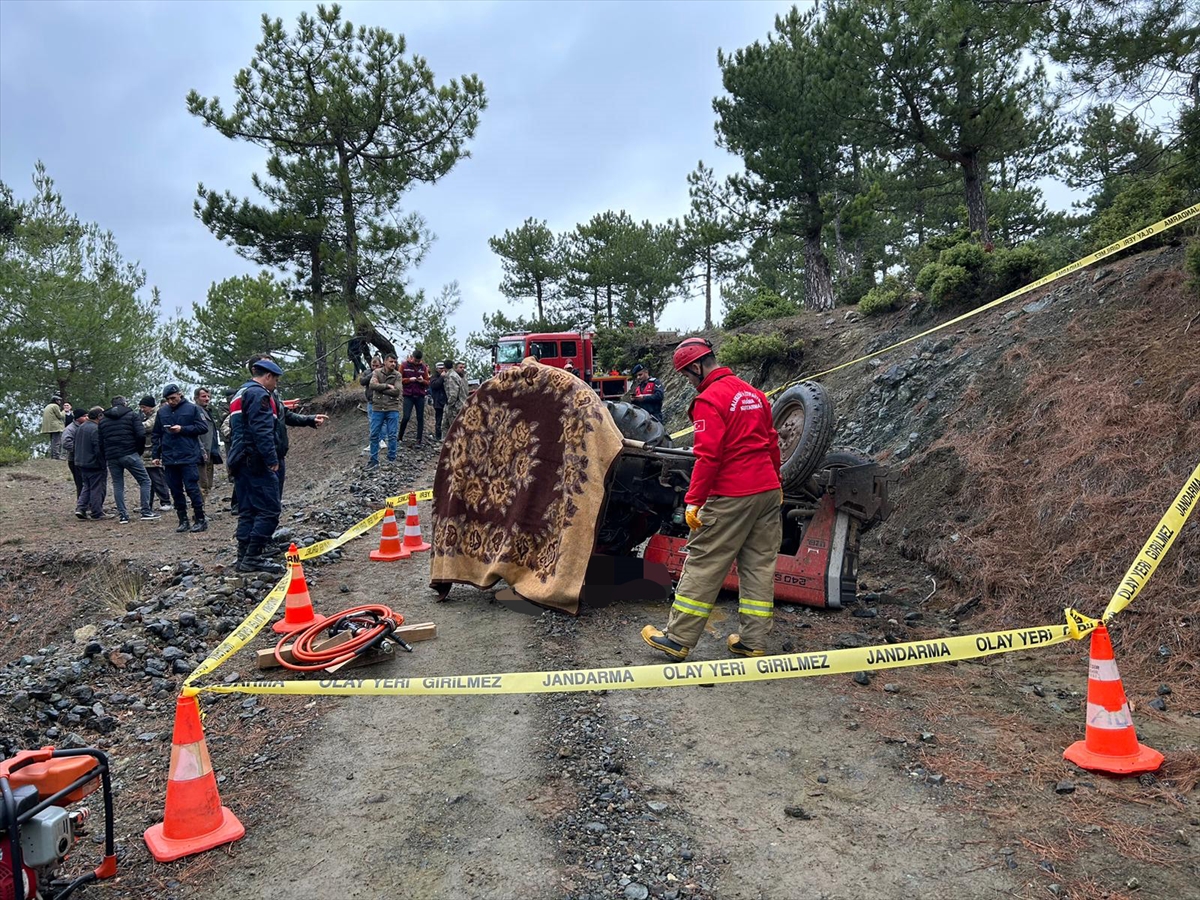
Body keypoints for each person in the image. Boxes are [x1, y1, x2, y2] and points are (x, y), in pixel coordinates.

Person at [642, 337, 783, 661]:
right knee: (759, 567)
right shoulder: (754, 394)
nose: (689, 382)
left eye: (687, 376)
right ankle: (753, 641)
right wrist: (777, 482)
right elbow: (772, 443)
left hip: (732, 494)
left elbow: (708, 456)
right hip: (767, 491)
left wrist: (694, 500)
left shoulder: (709, 400)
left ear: (696, 366)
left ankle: (677, 639)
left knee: (704, 563)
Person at [227, 359, 286, 574]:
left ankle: (243, 557)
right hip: (256, 460)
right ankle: (253, 556)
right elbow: (262, 431)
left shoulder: (240, 393)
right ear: (268, 376)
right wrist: (271, 460)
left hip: (240, 459)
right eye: (276, 380)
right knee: (269, 509)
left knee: (248, 510)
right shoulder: (259, 394)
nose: (276, 385)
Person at [245, 353, 327, 498]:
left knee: (274, 502)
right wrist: (270, 458)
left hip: (276, 454)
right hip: (261, 458)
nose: (272, 370)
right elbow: (260, 431)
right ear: (255, 370)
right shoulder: (254, 394)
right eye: (267, 366)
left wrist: (310, 419)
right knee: (266, 507)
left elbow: (286, 415)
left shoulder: (271, 394)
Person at [151, 383, 209, 534]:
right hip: (170, 458)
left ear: (180, 394)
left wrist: (183, 429)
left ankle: (200, 518)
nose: (171, 401)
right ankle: (183, 520)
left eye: (173, 398)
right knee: (175, 490)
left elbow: (203, 428)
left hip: (188, 456)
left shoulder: (192, 409)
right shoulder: (162, 412)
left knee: (192, 488)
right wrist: (156, 455)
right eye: (168, 399)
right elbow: (157, 434)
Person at [99, 395, 158, 523]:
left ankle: (123, 515)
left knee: (118, 485)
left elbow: (100, 441)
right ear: (125, 404)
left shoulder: (103, 420)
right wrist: (138, 450)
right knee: (145, 481)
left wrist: (106, 454)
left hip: (112, 456)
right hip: (130, 453)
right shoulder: (132, 416)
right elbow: (141, 434)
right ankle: (146, 511)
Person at [73, 407, 110, 520]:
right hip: (93, 463)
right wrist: (102, 463)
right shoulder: (95, 429)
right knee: (97, 488)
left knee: (86, 486)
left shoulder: (81, 427)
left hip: (81, 462)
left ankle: (81, 508)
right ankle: (97, 512)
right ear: (99, 416)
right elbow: (98, 448)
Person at [367, 353, 402, 468]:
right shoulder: (376, 372)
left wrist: (380, 388)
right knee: (374, 434)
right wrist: (387, 386)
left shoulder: (397, 375)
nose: (393, 364)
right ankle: (373, 460)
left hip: (392, 407)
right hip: (378, 408)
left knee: (392, 435)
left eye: (395, 362)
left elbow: (397, 391)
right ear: (385, 362)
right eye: (391, 361)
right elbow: (372, 385)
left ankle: (391, 459)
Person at [139, 396, 172, 512]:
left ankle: (166, 501)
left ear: (150, 406)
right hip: (147, 452)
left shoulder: (157, 415)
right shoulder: (147, 416)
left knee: (158, 478)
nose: (142, 410)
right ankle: (148, 503)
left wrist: (134, 425)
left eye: (144, 407)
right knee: (149, 480)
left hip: (154, 452)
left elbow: (147, 427)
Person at [194, 387, 224, 496]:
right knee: (202, 484)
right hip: (201, 453)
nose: (207, 399)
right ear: (196, 398)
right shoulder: (195, 411)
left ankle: (201, 509)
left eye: (208, 396)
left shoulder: (207, 412)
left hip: (210, 452)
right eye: (203, 396)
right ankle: (198, 511)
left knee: (208, 484)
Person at [399, 348, 431, 444]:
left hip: (420, 396)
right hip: (408, 395)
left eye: (419, 361)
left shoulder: (424, 367)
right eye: (415, 360)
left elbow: (428, 382)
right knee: (406, 417)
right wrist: (409, 380)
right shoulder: (404, 365)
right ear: (412, 357)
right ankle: (400, 437)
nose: (417, 362)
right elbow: (399, 379)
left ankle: (419, 440)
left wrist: (423, 381)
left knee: (420, 418)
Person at [62, 408, 88, 499]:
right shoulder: (70, 429)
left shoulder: (84, 426)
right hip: (74, 460)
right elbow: (66, 443)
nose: (86, 418)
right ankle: (82, 505)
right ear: (77, 418)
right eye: (84, 416)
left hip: (84, 459)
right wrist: (79, 449)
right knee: (80, 483)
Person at [442, 359, 469, 430]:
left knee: (453, 428)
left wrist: (450, 404)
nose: (463, 369)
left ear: (444, 367)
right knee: (446, 426)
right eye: (461, 367)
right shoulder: (454, 375)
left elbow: (453, 394)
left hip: (455, 407)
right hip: (458, 405)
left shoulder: (451, 376)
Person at [41, 394, 67, 459]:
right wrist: (64, 411)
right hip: (55, 426)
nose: (60, 402)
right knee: (56, 442)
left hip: (49, 426)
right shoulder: (55, 406)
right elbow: (60, 416)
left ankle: (53, 455)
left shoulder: (48, 406)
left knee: (53, 441)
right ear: (56, 401)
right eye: (59, 400)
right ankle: (56, 456)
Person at [429, 361, 448, 441]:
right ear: (437, 369)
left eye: (443, 368)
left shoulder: (448, 377)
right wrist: (441, 378)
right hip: (438, 401)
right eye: (440, 368)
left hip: (446, 401)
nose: (442, 370)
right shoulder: (434, 377)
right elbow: (434, 385)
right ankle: (438, 436)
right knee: (439, 420)